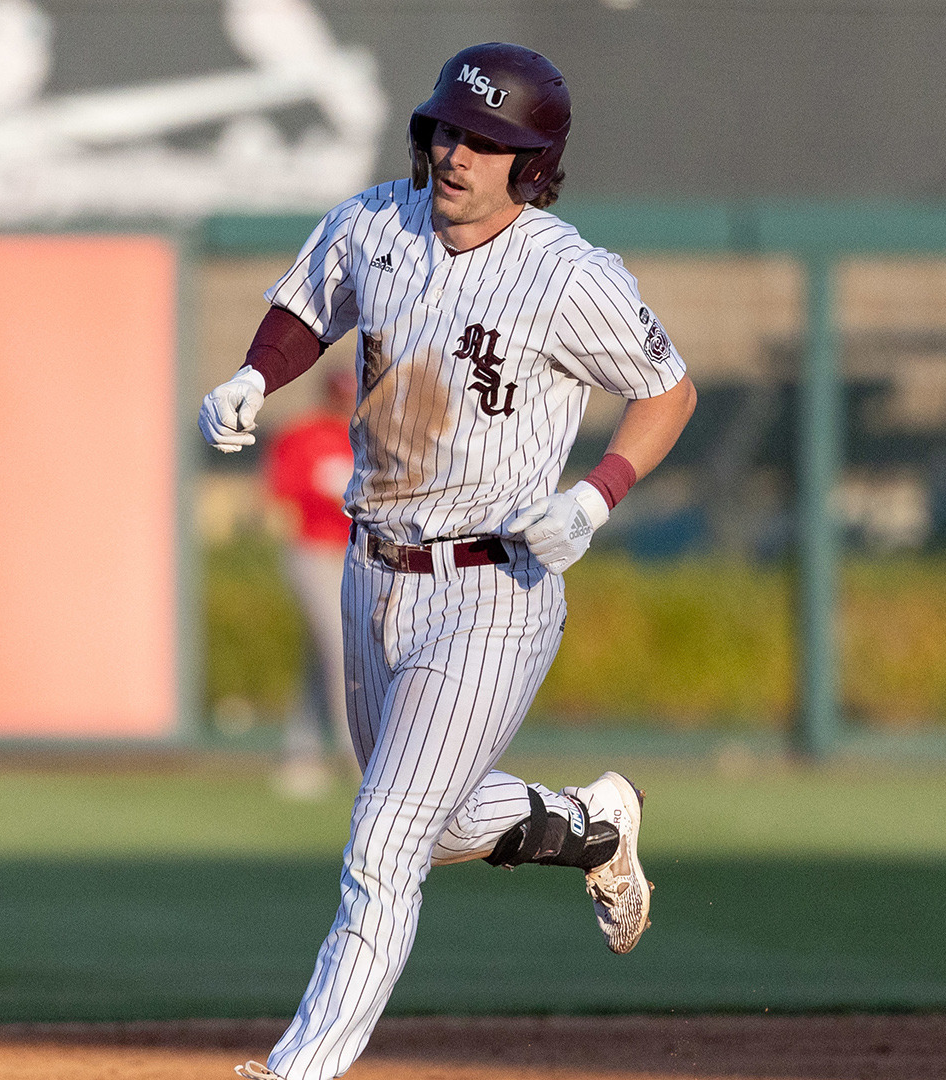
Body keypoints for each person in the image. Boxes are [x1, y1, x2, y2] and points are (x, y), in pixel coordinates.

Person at [198, 42, 698, 1080]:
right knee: (428, 820)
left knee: (383, 842)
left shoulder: (568, 274)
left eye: (486, 139)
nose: (456, 152)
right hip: (372, 571)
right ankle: (590, 826)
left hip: (493, 588)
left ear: (532, 161)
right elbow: (306, 307)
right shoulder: (376, 219)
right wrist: (255, 373)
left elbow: (668, 390)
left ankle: (300, 1071)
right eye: (446, 130)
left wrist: (597, 496)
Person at [264, 367, 358, 797]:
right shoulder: (304, 435)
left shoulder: (372, 435)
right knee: (339, 646)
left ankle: (300, 755)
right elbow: (282, 494)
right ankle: (356, 756)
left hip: (358, 554)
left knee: (322, 655)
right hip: (315, 552)